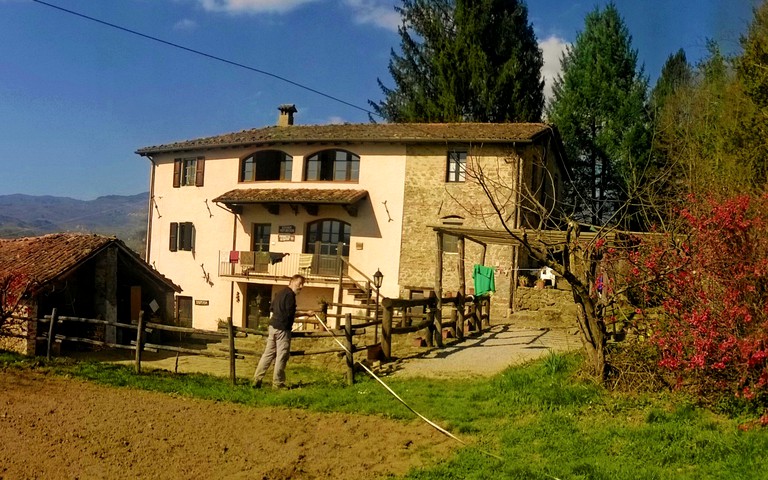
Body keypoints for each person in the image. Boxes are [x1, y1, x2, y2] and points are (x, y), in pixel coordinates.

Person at [252, 274, 307, 389]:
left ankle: (257, 379)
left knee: (268, 354)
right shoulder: (290, 296)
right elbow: (290, 314)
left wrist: (305, 314)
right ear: (291, 282)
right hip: (282, 329)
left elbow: (271, 308)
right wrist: (305, 314)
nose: (301, 286)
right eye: (299, 283)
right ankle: (278, 383)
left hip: (273, 326)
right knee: (281, 356)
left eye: (302, 284)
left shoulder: (279, 294)